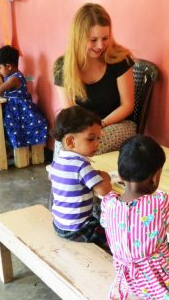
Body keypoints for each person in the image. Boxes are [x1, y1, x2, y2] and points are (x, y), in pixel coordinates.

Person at [100, 135, 169, 300]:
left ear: (120, 175)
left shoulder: (108, 203)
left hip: (127, 283)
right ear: (154, 179)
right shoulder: (160, 203)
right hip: (159, 281)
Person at [53, 3, 136, 156]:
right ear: (78, 37)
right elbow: (70, 112)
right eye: (93, 40)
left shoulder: (119, 59)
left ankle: (88, 178)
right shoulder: (62, 66)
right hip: (81, 127)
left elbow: (127, 105)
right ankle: (63, 179)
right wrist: (84, 131)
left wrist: (100, 125)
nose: (100, 45)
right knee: (65, 143)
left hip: (117, 123)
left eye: (105, 38)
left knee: (88, 143)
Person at [49, 105, 112, 248]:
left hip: (59, 224)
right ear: (70, 142)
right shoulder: (81, 165)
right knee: (113, 232)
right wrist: (105, 177)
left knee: (96, 211)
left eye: (98, 138)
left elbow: (51, 177)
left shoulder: (57, 161)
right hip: (79, 229)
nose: (97, 143)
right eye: (91, 139)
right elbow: (105, 191)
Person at [0, 45, 47, 149]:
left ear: (9, 66)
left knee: (9, 127)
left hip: (19, 110)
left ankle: (7, 149)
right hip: (12, 109)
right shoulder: (9, 77)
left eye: (0, 68)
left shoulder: (14, 78)